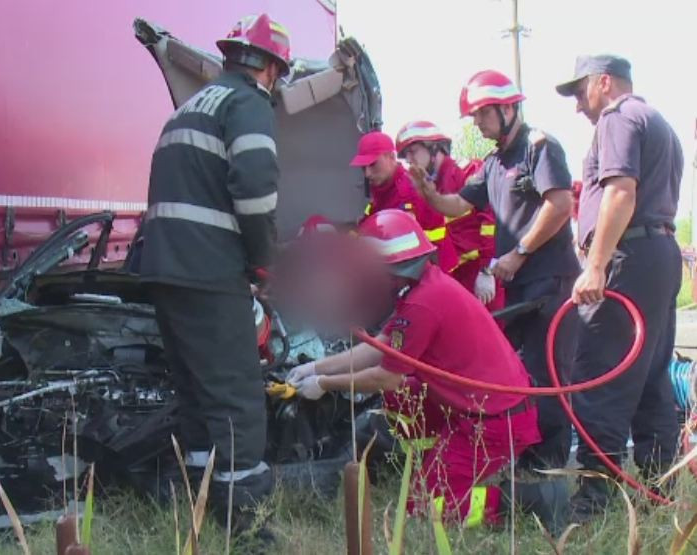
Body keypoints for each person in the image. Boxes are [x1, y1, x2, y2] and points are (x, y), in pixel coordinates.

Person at [286, 209, 568, 534]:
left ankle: (534, 499)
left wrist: (324, 383)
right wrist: (314, 367)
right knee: (399, 399)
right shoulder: (428, 285)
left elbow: (385, 376)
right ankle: (427, 457)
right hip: (487, 411)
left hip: (494, 425)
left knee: (427, 507)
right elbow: (380, 344)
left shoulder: (423, 304)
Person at [138, 13, 289, 537]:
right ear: (270, 68)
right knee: (237, 397)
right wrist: (264, 260)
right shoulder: (248, 103)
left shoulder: (189, 109)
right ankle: (244, 527)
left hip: (166, 269)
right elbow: (255, 188)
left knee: (199, 396)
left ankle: (200, 508)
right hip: (208, 271)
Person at [413, 70, 580, 470]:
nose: (477, 124)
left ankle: (550, 460)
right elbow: (460, 205)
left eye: (481, 115)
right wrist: (430, 194)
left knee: (548, 371)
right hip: (520, 284)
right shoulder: (493, 163)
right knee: (520, 372)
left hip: (549, 279)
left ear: (507, 109)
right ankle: (529, 453)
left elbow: (558, 205)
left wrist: (519, 252)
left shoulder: (540, 148)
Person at [556, 54, 684, 520]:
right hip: (659, 255)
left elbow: (620, 191)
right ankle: (658, 491)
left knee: (600, 376)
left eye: (579, 92)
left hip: (626, 259)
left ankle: (593, 501)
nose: (576, 106)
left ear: (604, 83)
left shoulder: (618, 117)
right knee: (650, 378)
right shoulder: (659, 122)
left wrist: (595, 264)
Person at [395, 120, 501, 309]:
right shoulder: (428, 188)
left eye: (412, 151)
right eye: (405, 156)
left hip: (480, 274)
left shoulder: (467, 172)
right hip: (454, 278)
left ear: (434, 147)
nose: (409, 160)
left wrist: (487, 271)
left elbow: (492, 223)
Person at [351, 131, 457, 273]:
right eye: (363, 168)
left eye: (373, 164)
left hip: (432, 271)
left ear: (391, 157)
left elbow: (401, 251)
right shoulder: (382, 191)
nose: (367, 174)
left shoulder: (408, 192)